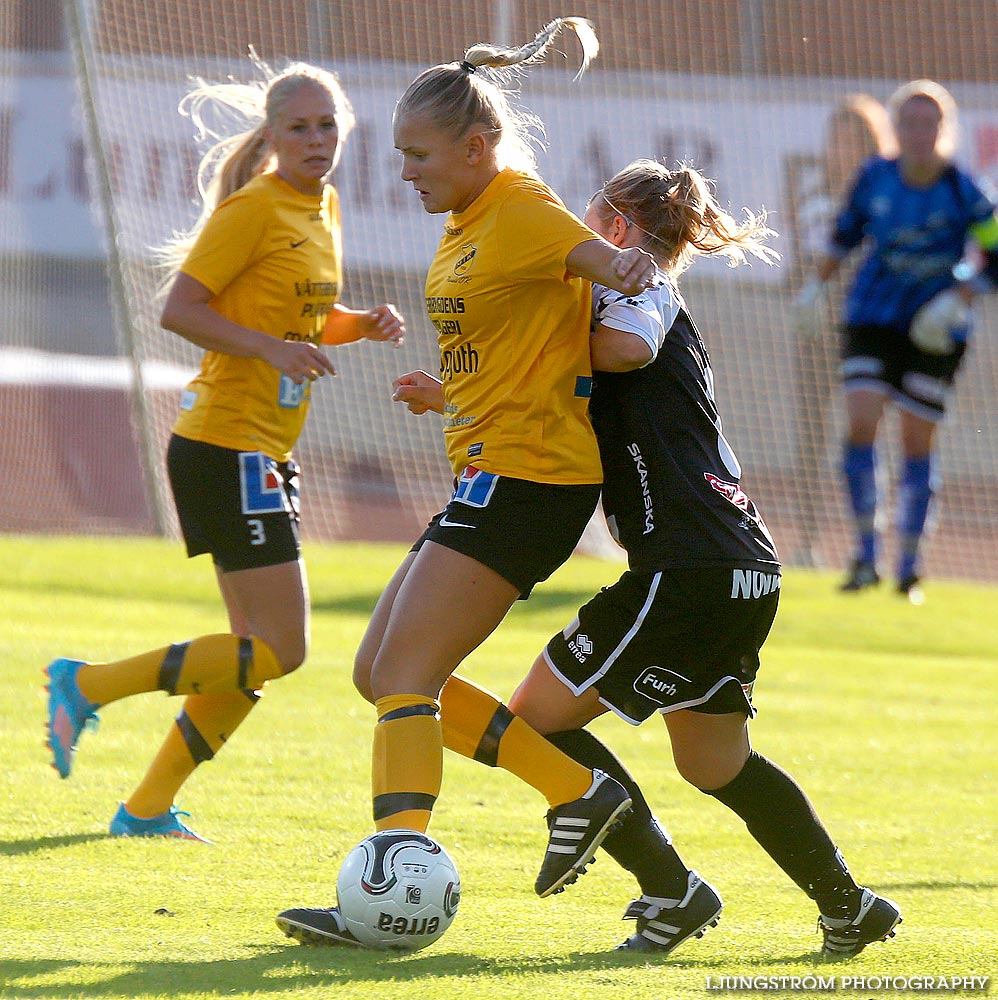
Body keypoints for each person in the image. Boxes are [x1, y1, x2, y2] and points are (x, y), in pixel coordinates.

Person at [383, 158, 901, 960]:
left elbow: (622, 351)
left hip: (686, 565)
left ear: (619, 230)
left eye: (586, 225)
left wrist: (553, 330)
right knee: (715, 763)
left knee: (538, 723)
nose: (573, 247)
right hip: (739, 567)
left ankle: (671, 890)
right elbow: (553, 392)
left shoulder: (641, 287)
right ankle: (849, 906)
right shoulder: (618, 297)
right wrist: (456, 391)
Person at [275, 17, 662, 946]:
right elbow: (520, 341)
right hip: (489, 472)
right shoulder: (462, 226)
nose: (405, 171)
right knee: (380, 674)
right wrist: (446, 388)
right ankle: (581, 789)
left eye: (418, 154)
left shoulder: (522, 206)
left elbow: (615, 272)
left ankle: (385, 880)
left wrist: (633, 268)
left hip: (533, 480)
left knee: (407, 673)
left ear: (477, 146)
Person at [43, 54, 405, 841]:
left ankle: (144, 810)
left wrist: (357, 324)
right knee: (281, 650)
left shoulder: (326, 206)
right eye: (299, 127)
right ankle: (88, 685)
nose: (316, 139)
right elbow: (180, 309)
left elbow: (299, 317)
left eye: (327, 124)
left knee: (250, 657)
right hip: (225, 444)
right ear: (272, 136)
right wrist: (270, 352)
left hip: (263, 450)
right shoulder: (253, 207)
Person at [797, 79, 998, 600]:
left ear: (944, 129)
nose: (917, 132)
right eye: (907, 121)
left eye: (928, 122)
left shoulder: (962, 189)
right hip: (872, 318)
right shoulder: (873, 179)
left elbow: (993, 254)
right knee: (861, 421)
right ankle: (865, 554)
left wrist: (962, 296)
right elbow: (843, 237)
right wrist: (815, 287)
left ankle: (909, 563)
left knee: (916, 439)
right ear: (894, 129)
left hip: (935, 329)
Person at [788, 94, 895, 565]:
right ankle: (808, 541)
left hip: (868, 331)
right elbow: (803, 257)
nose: (841, 148)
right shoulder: (812, 194)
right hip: (817, 335)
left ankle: (867, 539)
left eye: (852, 139)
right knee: (810, 438)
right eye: (836, 138)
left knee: (864, 432)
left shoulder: (887, 193)